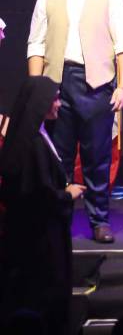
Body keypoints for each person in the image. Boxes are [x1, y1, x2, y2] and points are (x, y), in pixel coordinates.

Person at [26, 0, 123, 243]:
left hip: (95, 84)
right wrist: (38, 91)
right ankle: (56, 220)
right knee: (56, 158)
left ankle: (99, 220)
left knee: (96, 157)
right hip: (57, 84)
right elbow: (36, 45)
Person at [0, 77, 83, 334]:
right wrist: (67, 195)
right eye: (54, 99)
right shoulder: (33, 144)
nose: (59, 104)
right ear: (40, 104)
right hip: (39, 241)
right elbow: (38, 196)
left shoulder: (35, 135)